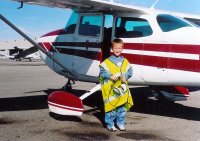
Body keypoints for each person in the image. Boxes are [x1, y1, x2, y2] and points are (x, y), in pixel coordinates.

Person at [99, 38, 133, 131]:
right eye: (115, 48)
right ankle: (110, 124)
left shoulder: (125, 61)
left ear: (122, 49)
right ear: (112, 49)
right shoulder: (107, 62)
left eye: (119, 48)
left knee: (122, 108)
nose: (117, 50)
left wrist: (126, 76)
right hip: (111, 90)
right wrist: (110, 76)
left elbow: (130, 71)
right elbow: (102, 74)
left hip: (122, 89)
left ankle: (120, 123)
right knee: (111, 107)